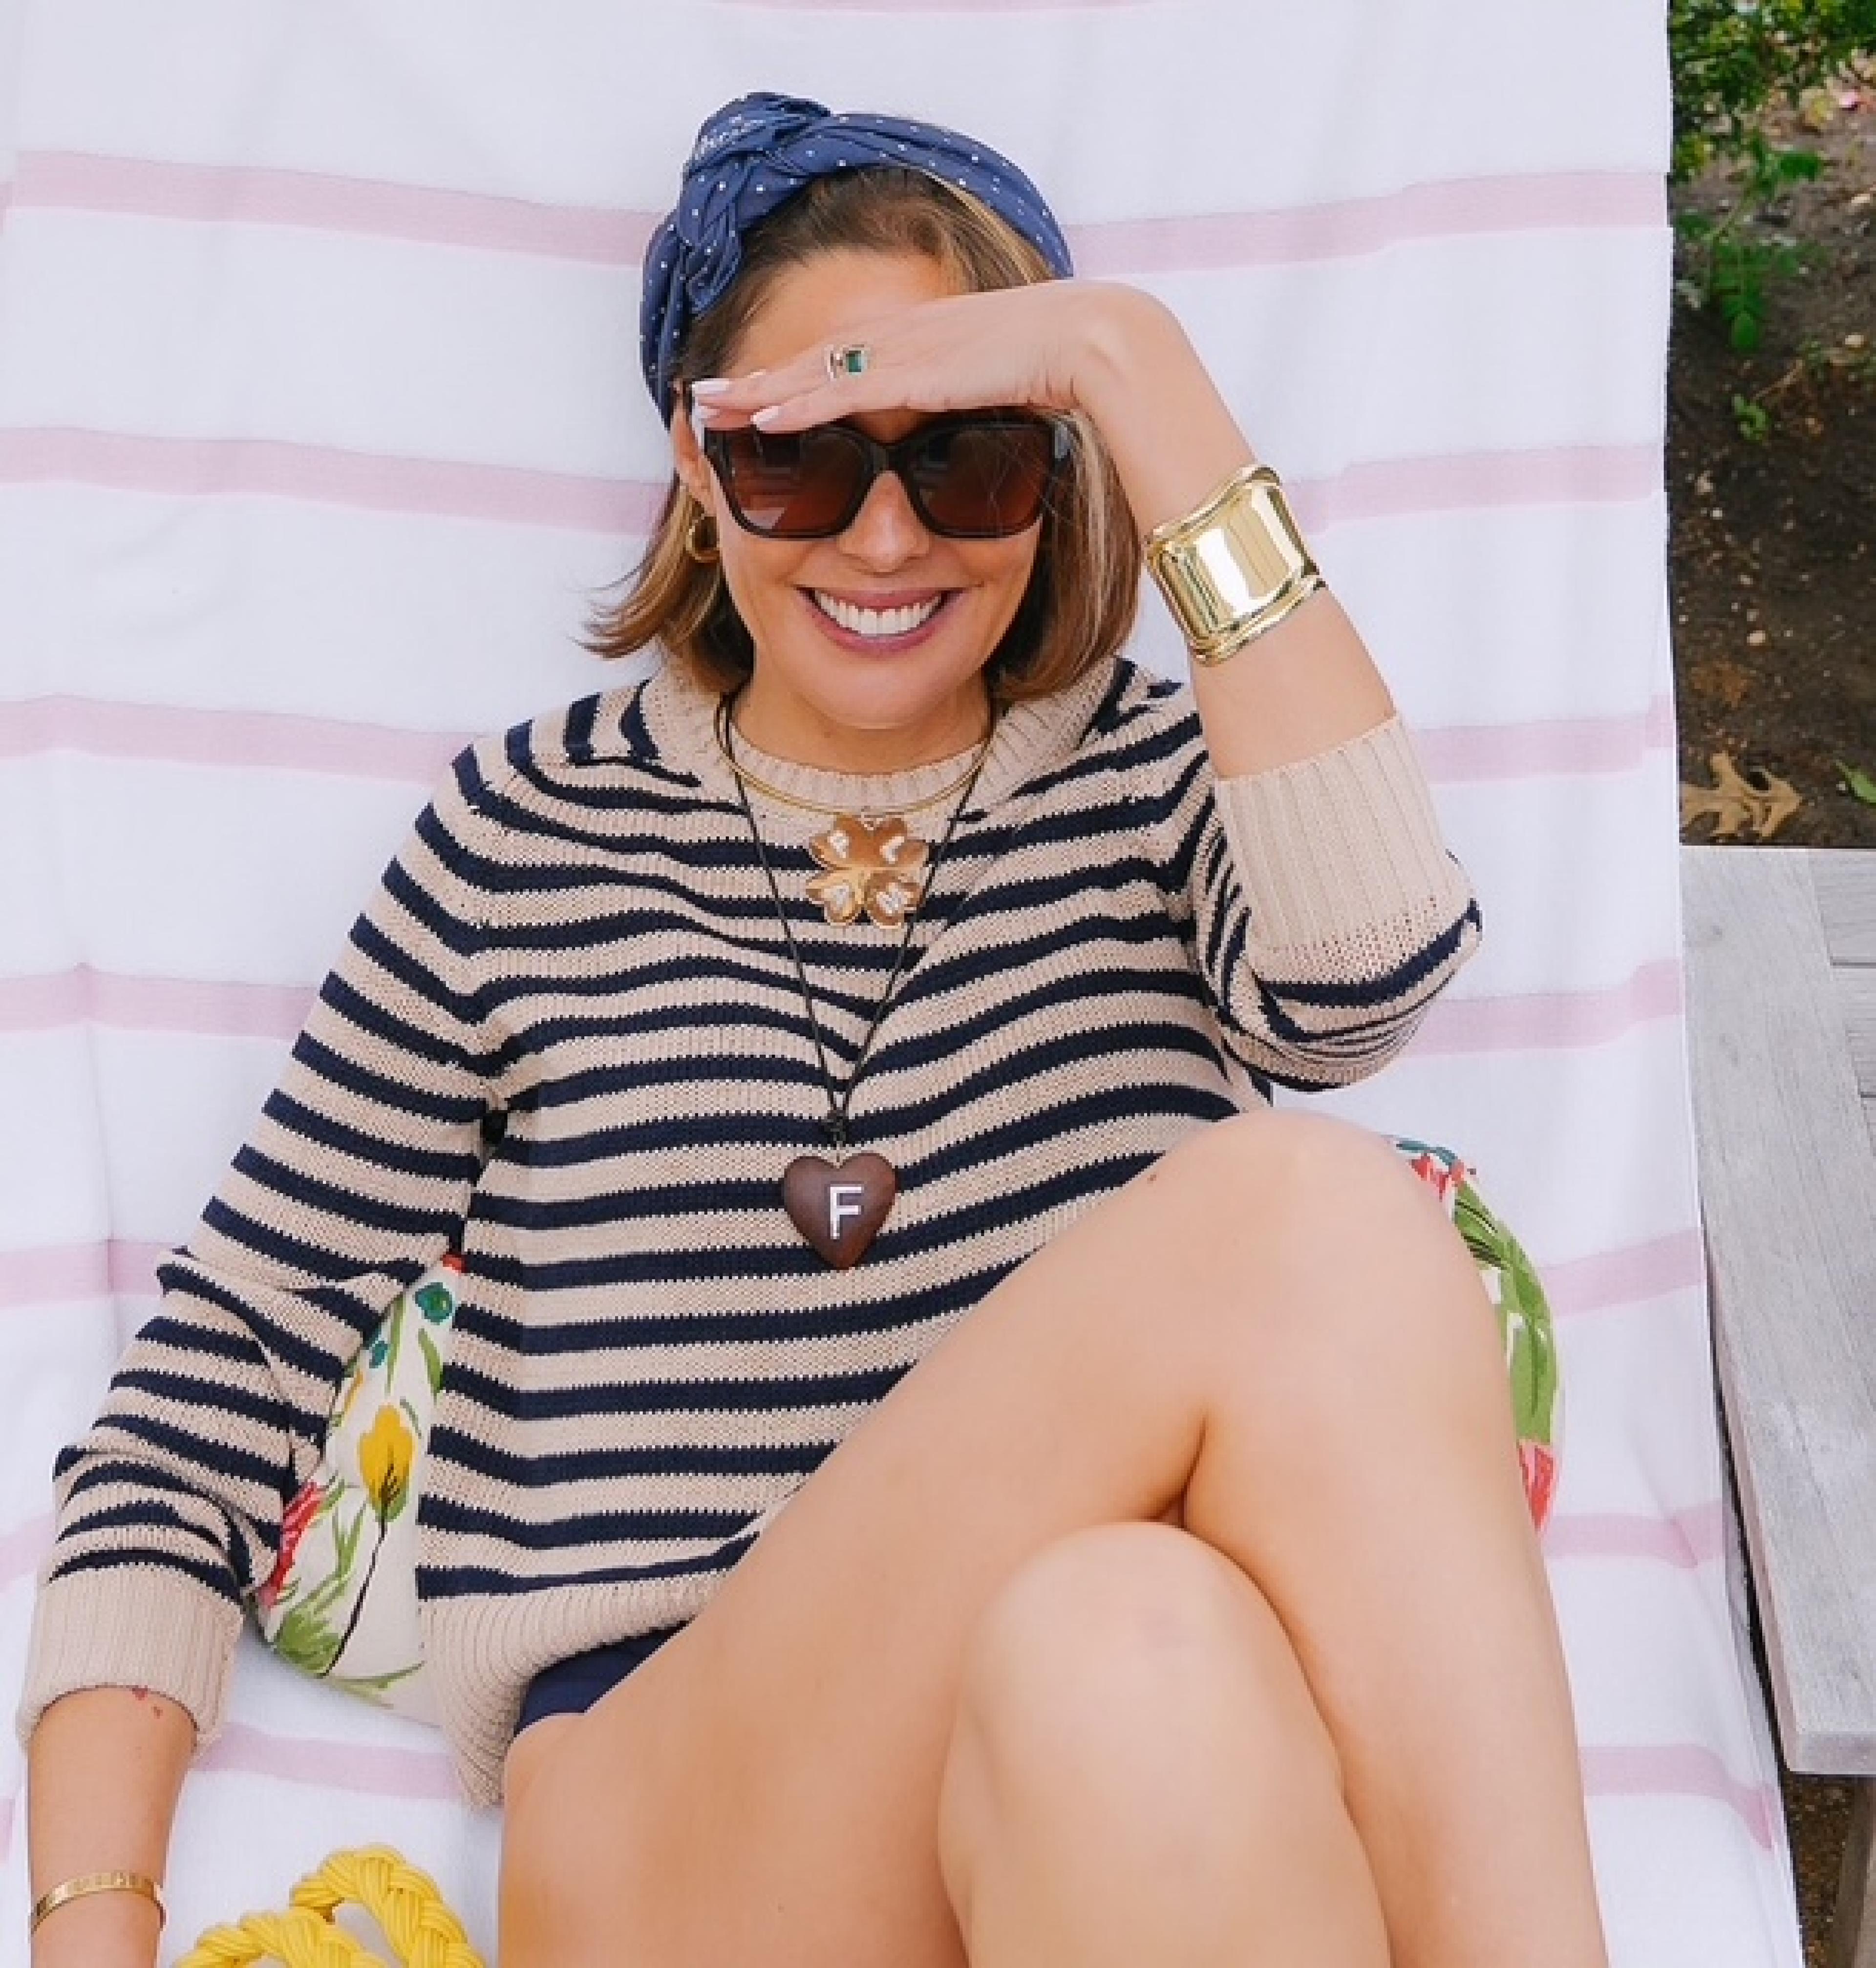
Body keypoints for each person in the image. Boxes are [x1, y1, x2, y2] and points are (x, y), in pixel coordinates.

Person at [20, 92, 1608, 1968]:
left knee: (1129, 1637)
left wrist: (1142, 369)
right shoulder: (523, 841)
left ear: (1067, 468)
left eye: (971, 457)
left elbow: (1371, 973)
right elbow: (214, 1382)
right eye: (797, 462)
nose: (883, 534)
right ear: (698, 471)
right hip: (688, 1834)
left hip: (1110, 1778)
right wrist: (90, 1921)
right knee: (1315, 1216)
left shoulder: (1166, 785)